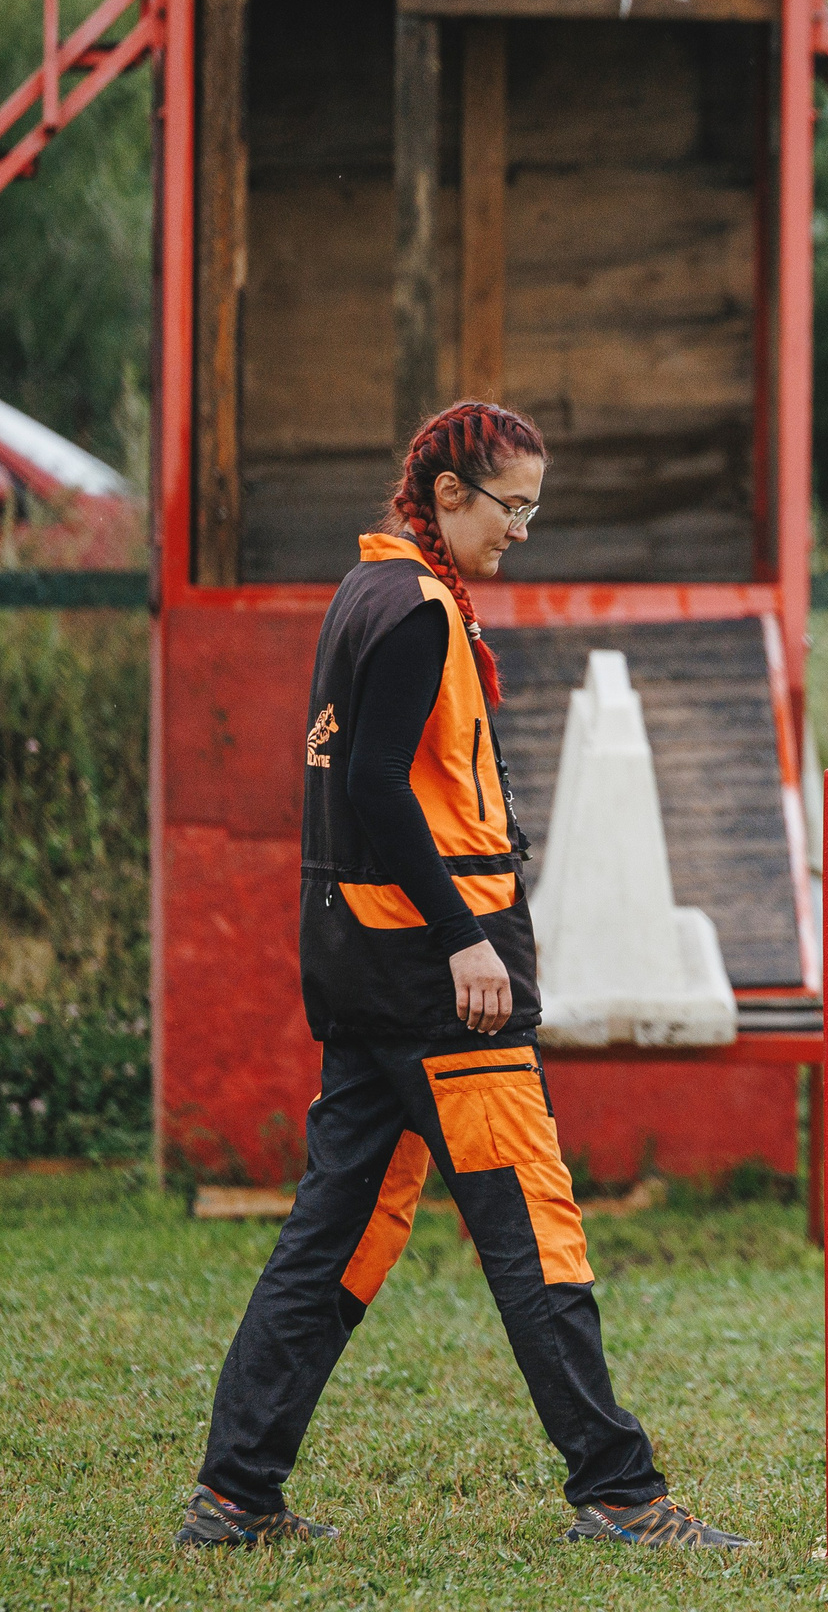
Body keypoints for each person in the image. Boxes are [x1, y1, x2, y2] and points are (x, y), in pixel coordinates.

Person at [179, 402, 748, 1550]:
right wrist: (466, 938)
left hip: (361, 965)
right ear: (447, 493)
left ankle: (235, 1495)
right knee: (533, 1233)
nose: (523, 529)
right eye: (513, 506)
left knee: (331, 1238)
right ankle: (621, 1495)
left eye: (535, 508)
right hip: (440, 983)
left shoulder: (365, 591)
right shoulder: (422, 613)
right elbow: (384, 792)